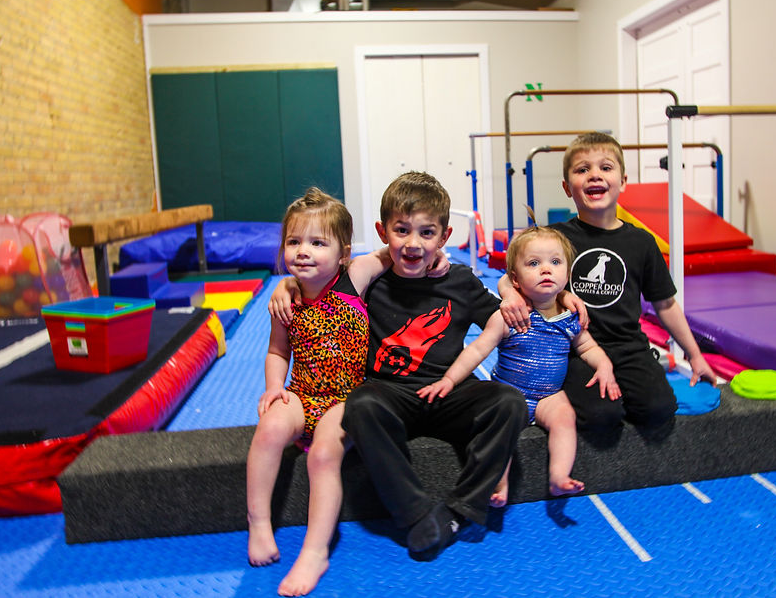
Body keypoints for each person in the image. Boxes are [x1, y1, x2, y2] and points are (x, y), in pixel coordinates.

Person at [339, 171, 528, 561]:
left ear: (444, 238)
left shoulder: (458, 279)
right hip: (390, 391)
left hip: (449, 390)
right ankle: (417, 512)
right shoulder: (371, 278)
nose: (413, 244)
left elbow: (500, 318)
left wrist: (524, 296)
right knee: (360, 407)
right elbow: (322, 289)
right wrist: (288, 285)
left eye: (427, 233)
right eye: (401, 231)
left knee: (509, 401)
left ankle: (458, 512)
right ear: (382, 231)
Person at [499, 132, 716, 442]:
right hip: (574, 348)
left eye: (605, 167)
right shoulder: (554, 238)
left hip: (628, 347)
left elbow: (665, 304)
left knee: (658, 410)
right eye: (582, 169)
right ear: (567, 187)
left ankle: (625, 391)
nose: (594, 175)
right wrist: (509, 294)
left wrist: (695, 355)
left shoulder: (641, 242)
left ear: (623, 181)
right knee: (601, 418)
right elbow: (511, 276)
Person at [246, 187, 391, 597]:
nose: (303, 251)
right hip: (303, 392)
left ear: (343, 253)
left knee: (325, 453)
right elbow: (277, 351)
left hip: (347, 399)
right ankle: (258, 523)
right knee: (271, 428)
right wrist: (275, 387)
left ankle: (314, 551)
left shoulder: (353, 278)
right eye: (294, 242)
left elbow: (389, 254)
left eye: (317, 242)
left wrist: (433, 258)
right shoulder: (284, 302)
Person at [418, 225, 619, 507]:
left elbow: (586, 346)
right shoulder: (510, 317)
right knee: (499, 429)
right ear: (515, 279)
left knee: (565, 418)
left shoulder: (570, 316)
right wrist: (449, 380)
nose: (546, 270)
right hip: (511, 393)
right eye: (534, 264)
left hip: (549, 395)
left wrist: (604, 365)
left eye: (555, 262)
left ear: (568, 274)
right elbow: (476, 349)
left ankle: (559, 475)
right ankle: (499, 483)